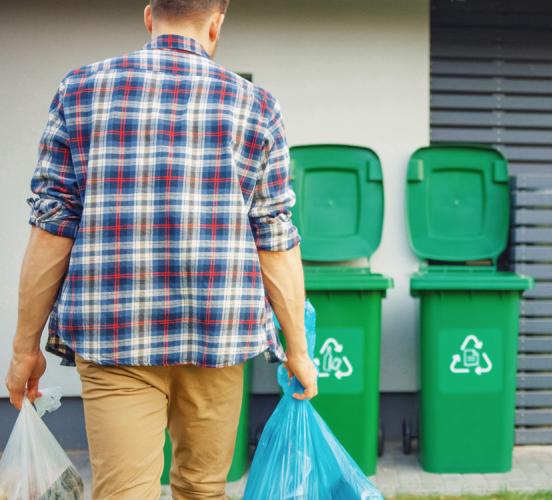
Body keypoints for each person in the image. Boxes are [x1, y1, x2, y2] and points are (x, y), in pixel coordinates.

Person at [4, 0, 318, 498]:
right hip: (217, 335)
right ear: (217, 22)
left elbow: (52, 224)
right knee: (201, 489)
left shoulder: (80, 90)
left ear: (149, 16)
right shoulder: (257, 105)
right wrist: (297, 349)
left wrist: (25, 348)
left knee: (125, 492)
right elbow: (274, 237)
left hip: (114, 333)